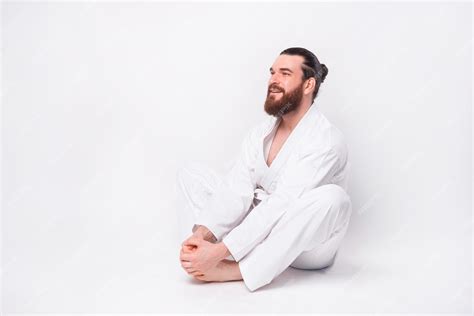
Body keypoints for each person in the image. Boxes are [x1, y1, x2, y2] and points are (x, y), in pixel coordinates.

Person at [177, 47, 352, 292]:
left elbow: (284, 202)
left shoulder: (326, 139)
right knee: (192, 173)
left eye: (284, 73)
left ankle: (236, 269)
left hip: (308, 248)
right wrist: (203, 236)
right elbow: (236, 190)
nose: (273, 80)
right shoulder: (260, 134)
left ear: (308, 85)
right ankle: (205, 248)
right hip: (263, 230)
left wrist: (220, 253)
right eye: (272, 73)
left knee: (333, 199)